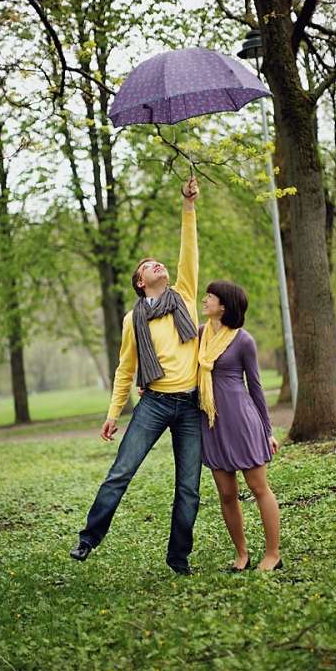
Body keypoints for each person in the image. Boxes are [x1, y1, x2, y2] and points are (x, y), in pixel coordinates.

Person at [70, 176, 202, 576]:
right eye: (147, 267)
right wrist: (113, 413)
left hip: (192, 406)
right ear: (141, 282)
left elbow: (188, 251)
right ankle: (89, 538)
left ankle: (178, 559)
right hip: (155, 403)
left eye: (157, 262)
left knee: (189, 488)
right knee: (121, 472)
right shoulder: (133, 319)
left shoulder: (186, 296)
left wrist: (189, 205)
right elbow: (126, 369)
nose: (156, 264)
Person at [198, 280, 281, 572]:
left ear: (224, 305)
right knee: (226, 494)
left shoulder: (243, 340)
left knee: (259, 487)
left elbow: (256, 388)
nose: (204, 299)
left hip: (243, 422)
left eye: (210, 296)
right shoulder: (199, 336)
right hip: (212, 424)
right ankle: (242, 554)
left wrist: (267, 431)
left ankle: (273, 554)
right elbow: (178, 368)